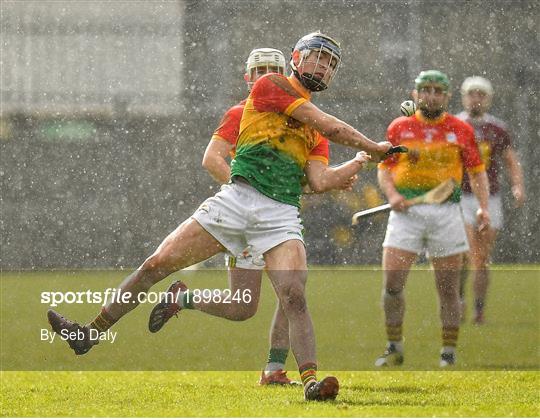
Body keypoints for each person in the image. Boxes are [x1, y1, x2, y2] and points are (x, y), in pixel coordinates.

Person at [47, 32, 393, 401]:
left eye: (330, 64)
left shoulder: (314, 131)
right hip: (236, 200)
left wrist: (357, 163)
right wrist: (374, 147)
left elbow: (318, 180)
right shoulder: (272, 85)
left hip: (280, 215)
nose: (322, 67)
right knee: (155, 265)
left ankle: (310, 381)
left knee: (292, 295)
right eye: (317, 58)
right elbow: (331, 126)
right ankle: (88, 334)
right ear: (295, 57)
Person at [160, 47, 363, 387]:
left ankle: (274, 370)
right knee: (243, 307)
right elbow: (213, 160)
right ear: (248, 77)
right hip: (242, 213)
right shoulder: (241, 112)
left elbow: (309, 179)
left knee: (292, 293)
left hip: (279, 216)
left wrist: (338, 175)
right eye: (259, 70)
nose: (264, 76)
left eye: (272, 69)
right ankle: (183, 299)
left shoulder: (302, 118)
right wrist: (248, 194)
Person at [374, 70, 490, 368]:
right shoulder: (400, 127)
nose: (432, 96)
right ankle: (393, 346)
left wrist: (483, 207)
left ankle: (448, 353)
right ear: (416, 94)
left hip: (446, 214)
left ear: (447, 96)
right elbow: (385, 168)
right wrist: (392, 195)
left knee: (448, 288)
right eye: (426, 90)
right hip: (406, 214)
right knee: (392, 284)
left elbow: (477, 173)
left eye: (438, 91)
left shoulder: (460, 129)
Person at [457, 76, 525, 324]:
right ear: (464, 97)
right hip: (461, 196)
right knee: (464, 253)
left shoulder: (497, 129)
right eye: (472, 94)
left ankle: (478, 310)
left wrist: (517, 186)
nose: (476, 99)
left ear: (488, 99)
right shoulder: (455, 125)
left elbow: (510, 160)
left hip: (489, 197)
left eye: (481, 94)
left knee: (481, 258)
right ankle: (459, 300)